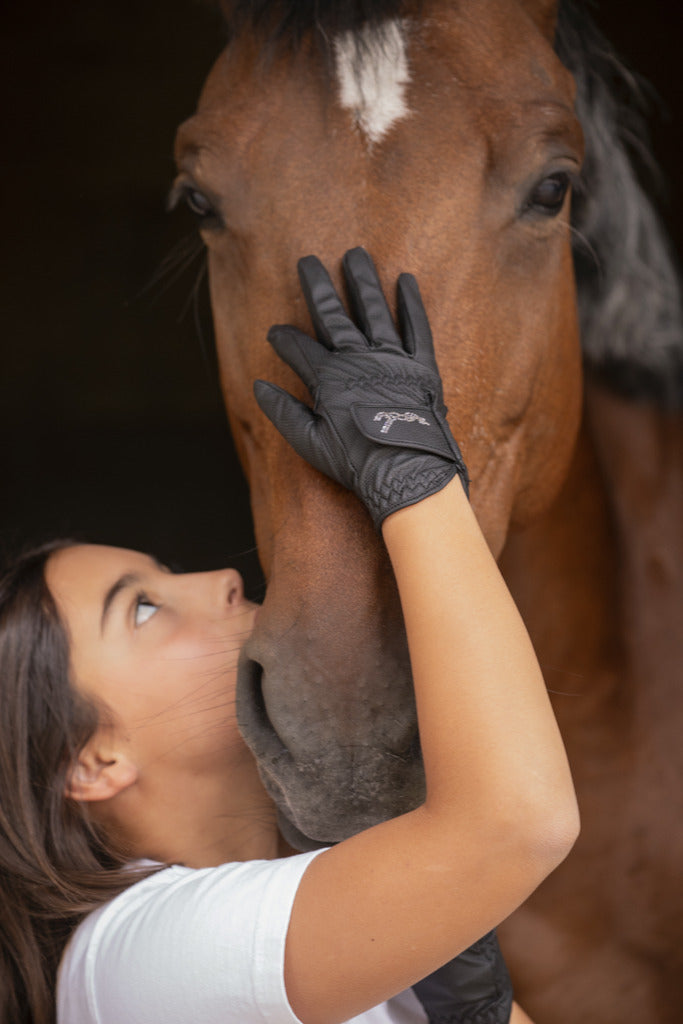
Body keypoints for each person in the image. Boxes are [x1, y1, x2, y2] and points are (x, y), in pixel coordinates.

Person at [0, 249, 579, 1024]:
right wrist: (412, 473)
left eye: (165, 571)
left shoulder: (334, 915)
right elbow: (521, 822)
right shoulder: (127, 959)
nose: (220, 578)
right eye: (139, 609)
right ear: (93, 760)